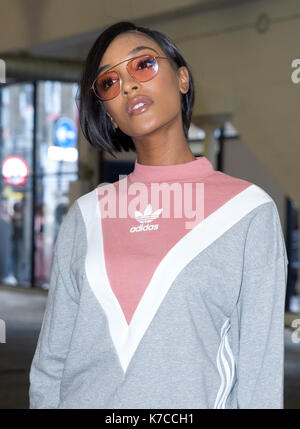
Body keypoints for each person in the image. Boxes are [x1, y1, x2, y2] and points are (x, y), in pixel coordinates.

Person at [29, 20, 289, 409]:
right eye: (108, 83)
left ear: (182, 78)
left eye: (142, 65)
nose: (128, 85)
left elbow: (259, 380)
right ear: (111, 115)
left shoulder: (248, 213)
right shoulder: (86, 217)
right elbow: (51, 365)